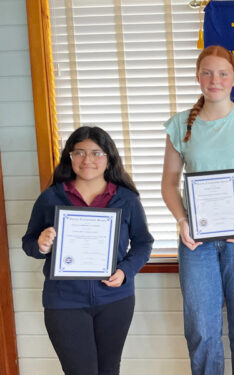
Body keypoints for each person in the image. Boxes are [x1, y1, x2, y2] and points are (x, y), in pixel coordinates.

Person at [161, 45, 234, 375]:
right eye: (207, 73)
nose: (215, 80)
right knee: (201, 331)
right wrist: (183, 221)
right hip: (196, 242)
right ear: (198, 77)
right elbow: (169, 184)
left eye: (223, 73)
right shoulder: (179, 125)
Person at [22, 126, 153, 374]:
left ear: (108, 158)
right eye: (79, 152)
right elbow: (29, 242)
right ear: (69, 157)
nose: (87, 160)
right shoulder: (50, 198)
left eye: (96, 153)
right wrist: (41, 245)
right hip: (64, 301)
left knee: (109, 370)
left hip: (115, 300)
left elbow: (143, 243)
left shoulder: (127, 199)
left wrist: (125, 271)